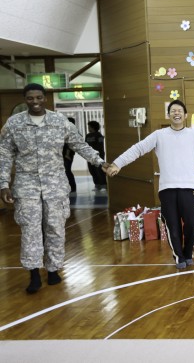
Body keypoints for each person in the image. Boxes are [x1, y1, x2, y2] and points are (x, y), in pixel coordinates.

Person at [0, 83, 108, 294]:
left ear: (45, 98)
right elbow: (5, 155)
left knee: (55, 229)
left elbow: (79, 145)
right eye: (30, 98)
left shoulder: (60, 122)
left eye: (39, 98)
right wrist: (3, 184)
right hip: (26, 187)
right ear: (25, 99)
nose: (35, 102)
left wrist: (99, 162)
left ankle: (52, 270)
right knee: (30, 231)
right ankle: (33, 273)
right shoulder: (14, 124)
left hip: (55, 186)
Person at [107, 100, 194, 269]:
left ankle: (187, 251)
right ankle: (179, 257)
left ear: (185, 115)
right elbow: (137, 149)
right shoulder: (159, 135)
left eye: (180, 111)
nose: (176, 113)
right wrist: (118, 163)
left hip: (189, 188)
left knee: (192, 225)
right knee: (173, 226)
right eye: (173, 111)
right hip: (167, 189)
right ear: (168, 115)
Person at [85, 120, 108, 191]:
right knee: (92, 170)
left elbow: (100, 146)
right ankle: (97, 185)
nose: (88, 128)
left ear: (93, 127)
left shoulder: (99, 135)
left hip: (98, 156)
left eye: (89, 127)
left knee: (99, 170)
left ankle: (103, 185)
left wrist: (97, 155)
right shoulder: (87, 135)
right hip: (89, 156)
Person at [63, 117, 77, 195]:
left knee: (67, 171)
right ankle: (70, 187)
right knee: (66, 171)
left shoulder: (71, 132)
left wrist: (67, 154)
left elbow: (70, 144)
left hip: (67, 155)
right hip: (64, 154)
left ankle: (72, 188)